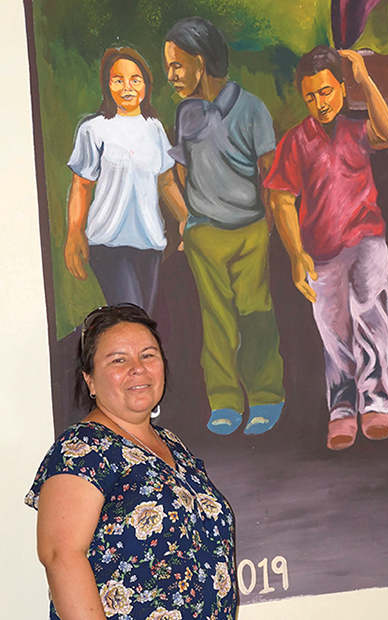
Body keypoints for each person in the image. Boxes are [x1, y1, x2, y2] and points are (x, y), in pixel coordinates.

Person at [25, 303, 237, 620]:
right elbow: (60, 555)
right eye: (118, 360)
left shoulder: (174, 446)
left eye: (148, 355)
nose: (137, 368)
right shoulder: (83, 447)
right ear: (90, 380)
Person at [264, 46, 388, 450]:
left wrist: (365, 79)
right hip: (320, 251)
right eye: (311, 96)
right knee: (333, 328)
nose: (320, 103)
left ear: (341, 89)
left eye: (326, 92)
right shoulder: (295, 141)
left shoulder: (358, 130)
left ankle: (377, 402)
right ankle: (342, 409)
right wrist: (295, 253)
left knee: (370, 314)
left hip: (366, 239)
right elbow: (281, 198)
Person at [163, 17, 285, 436]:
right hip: (204, 234)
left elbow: (270, 172)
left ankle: (267, 396)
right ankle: (226, 402)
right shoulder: (185, 111)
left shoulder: (251, 107)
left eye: (177, 66)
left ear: (200, 62)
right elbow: (179, 169)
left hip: (250, 230)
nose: (171, 76)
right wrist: (188, 220)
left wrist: (267, 226)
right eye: (168, 68)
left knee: (256, 315)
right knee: (216, 322)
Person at [64, 47, 188, 314]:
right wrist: (75, 232)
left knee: (143, 319)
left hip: (150, 243)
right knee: (134, 317)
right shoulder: (93, 129)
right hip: (108, 243)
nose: (127, 87)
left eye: (135, 79)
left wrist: (185, 218)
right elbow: (81, 185)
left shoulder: (154, 128)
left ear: (145, 84)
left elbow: (165, 182)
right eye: (118, 80)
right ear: (108, 85)